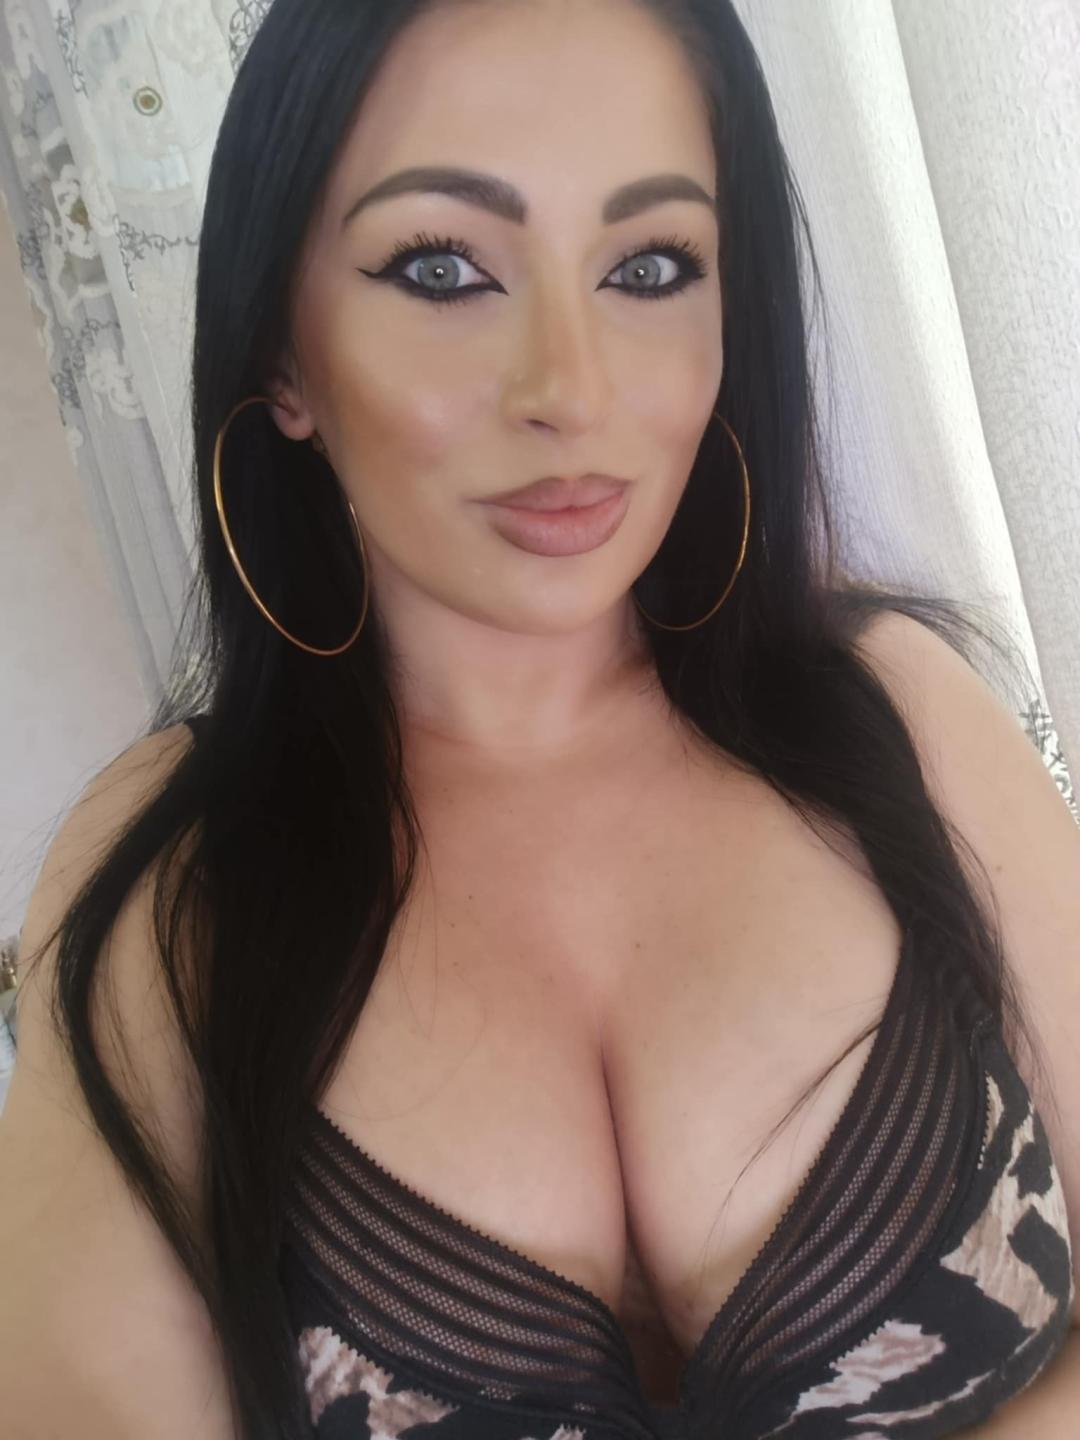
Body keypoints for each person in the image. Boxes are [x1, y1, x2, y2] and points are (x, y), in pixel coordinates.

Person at [1, 2, 1076, 1437]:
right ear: (281, 356)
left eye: (649, 266)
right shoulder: (171, 873)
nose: (570, 388)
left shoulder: (904, 716)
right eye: (442, 268)